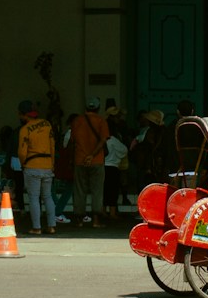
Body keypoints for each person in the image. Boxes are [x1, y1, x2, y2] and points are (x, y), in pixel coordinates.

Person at [66, 98, 108, 227]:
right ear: (98, 108)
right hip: (97, 161)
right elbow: (102, 140)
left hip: (80, 160)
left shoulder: (77, 121)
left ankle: (79, 220)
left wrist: (72, 159)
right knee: (97, 191)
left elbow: (72, 142)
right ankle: (96, 221)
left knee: (79, 190)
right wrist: (92, 155)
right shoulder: (101, 121)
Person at [17, 100, 58, 235]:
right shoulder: (47, 125)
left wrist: (23, 164)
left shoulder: (24, 129)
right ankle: (52, 226)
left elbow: (22, 152)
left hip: (32, 165)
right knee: (47, 196)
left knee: (34, 197)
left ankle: (37, 227)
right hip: (47, 165)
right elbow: (52, 145)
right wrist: (51, 164)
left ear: (24, 115)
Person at [103, 119, 130, 222]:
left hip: (102, 167)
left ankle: (103, 211)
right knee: (113, 191)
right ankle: (112, 212)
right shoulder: (113, 139)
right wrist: (117, 157)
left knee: (103, 190)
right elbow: (124, 150)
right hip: (112, 167)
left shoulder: (100, 139)